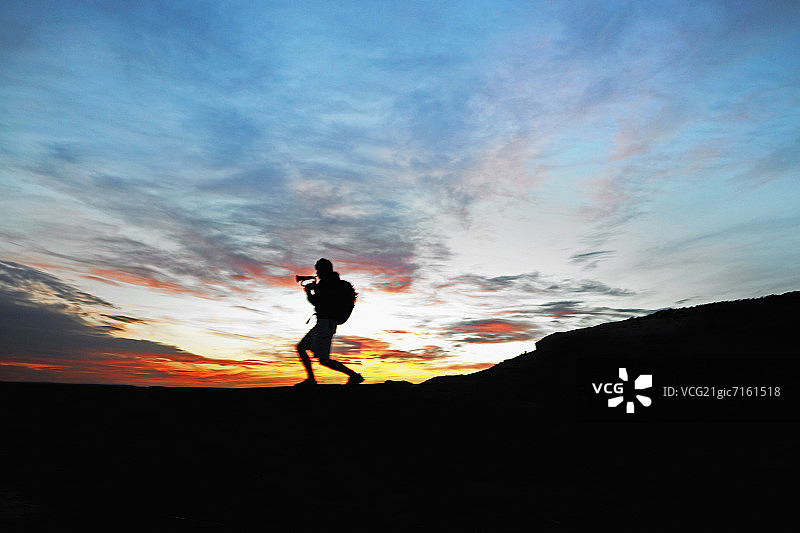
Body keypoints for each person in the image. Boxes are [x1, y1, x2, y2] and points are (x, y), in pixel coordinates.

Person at [295, 258, 363, 386]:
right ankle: (312, 379)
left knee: (323, 360)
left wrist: (309, 292)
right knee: (302, 348)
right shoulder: (333, 283)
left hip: (325, 324)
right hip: (325, 324)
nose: (317, 273)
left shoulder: (326, 284)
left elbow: (317, 303)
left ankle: (354, 376)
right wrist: (312, 291)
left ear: (323, 270)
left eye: (318, 270)